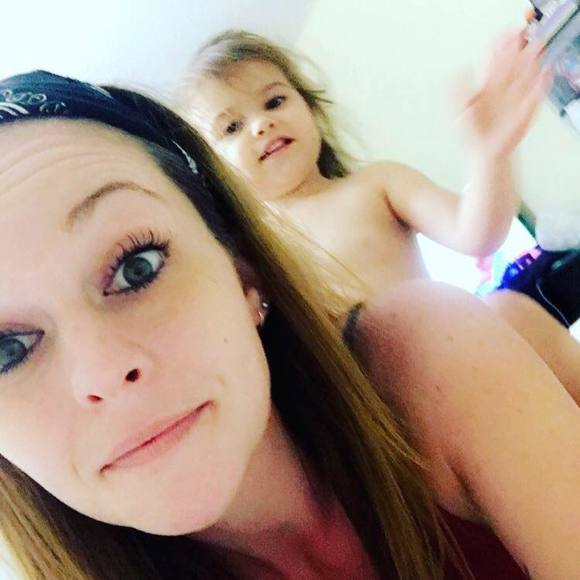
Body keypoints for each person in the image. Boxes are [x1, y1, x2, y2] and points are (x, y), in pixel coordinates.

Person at [0, 71, 578, 580]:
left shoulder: (425, 359)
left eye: (137, 266)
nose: (102, 372)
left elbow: (474, 232)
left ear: (243, 273)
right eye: (5, 350)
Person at [174, 30, 552, 298]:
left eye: (274, 102)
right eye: (232, 127)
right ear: (214, 172)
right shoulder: (248, 257)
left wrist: (491, 154)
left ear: (311, 109)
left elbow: (477, 234)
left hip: (445, 366)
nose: (261, 124)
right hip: (357, 393)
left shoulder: (378, 185)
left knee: (511, 309)